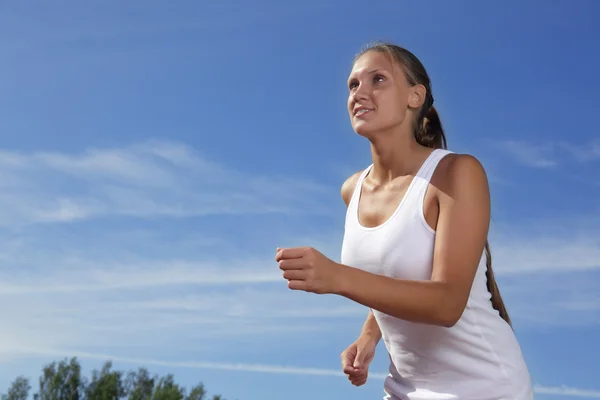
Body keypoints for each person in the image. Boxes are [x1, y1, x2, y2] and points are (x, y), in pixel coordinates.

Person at [275, 42, 533, 400]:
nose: (360, 93)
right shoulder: (353, 190)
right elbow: (392, 269)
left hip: (483, 387)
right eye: (353, 85)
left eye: (377, 79)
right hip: (403, 388)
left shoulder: (457, 173)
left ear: (415, 96)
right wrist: (369, 334)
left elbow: (447, 303)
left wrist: (337, 276)